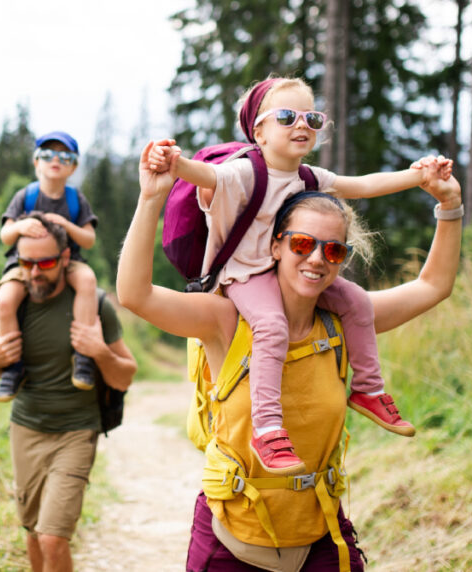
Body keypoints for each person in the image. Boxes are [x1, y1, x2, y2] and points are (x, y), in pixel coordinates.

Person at [119, 141, 463, 570]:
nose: (317, 259)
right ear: (275, 246)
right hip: (229, 543)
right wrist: (152, 196)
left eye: (334, 250)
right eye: (302, 243)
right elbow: (134, 295)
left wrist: (449, 206)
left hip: (322, 539)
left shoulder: (345, 324)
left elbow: (433, 287)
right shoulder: (226, 320)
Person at [147, 77, 453, 474]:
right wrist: (172, 163)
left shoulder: (307, 177)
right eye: (288, 116)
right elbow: (205, 176)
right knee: (271, 326)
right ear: (259, 131)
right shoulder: (244, 172)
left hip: (281, 270)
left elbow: (359, 187)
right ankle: (268, 428)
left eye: (312, 117)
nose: (302, 125)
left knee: (357, 300)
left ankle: (367, 390)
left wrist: (419, 177)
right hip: (244, 277)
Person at [0, 212, 137, 572]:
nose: (35, 272)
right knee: (33, 532)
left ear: (66, 259)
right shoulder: (11, 306)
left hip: (76, 431)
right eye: (26, 263)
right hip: (26, 430)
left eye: (46, 262)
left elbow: (125, 376)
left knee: (53, 537)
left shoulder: (95, 306)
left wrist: (99, 351)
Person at [0, 131, 102, 402]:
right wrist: (19, 225)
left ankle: (83, 357)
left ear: (73, 166)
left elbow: (88, 239)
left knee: (88, 282)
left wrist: (66, 225)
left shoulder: (76, 199)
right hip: (26, 263)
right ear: (36, 163)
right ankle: (12, 367)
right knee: (5, 301)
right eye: (47, 155)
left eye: (65, 156)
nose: (56, 160)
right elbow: (5, 235)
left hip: (68, 260)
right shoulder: (26, 196)